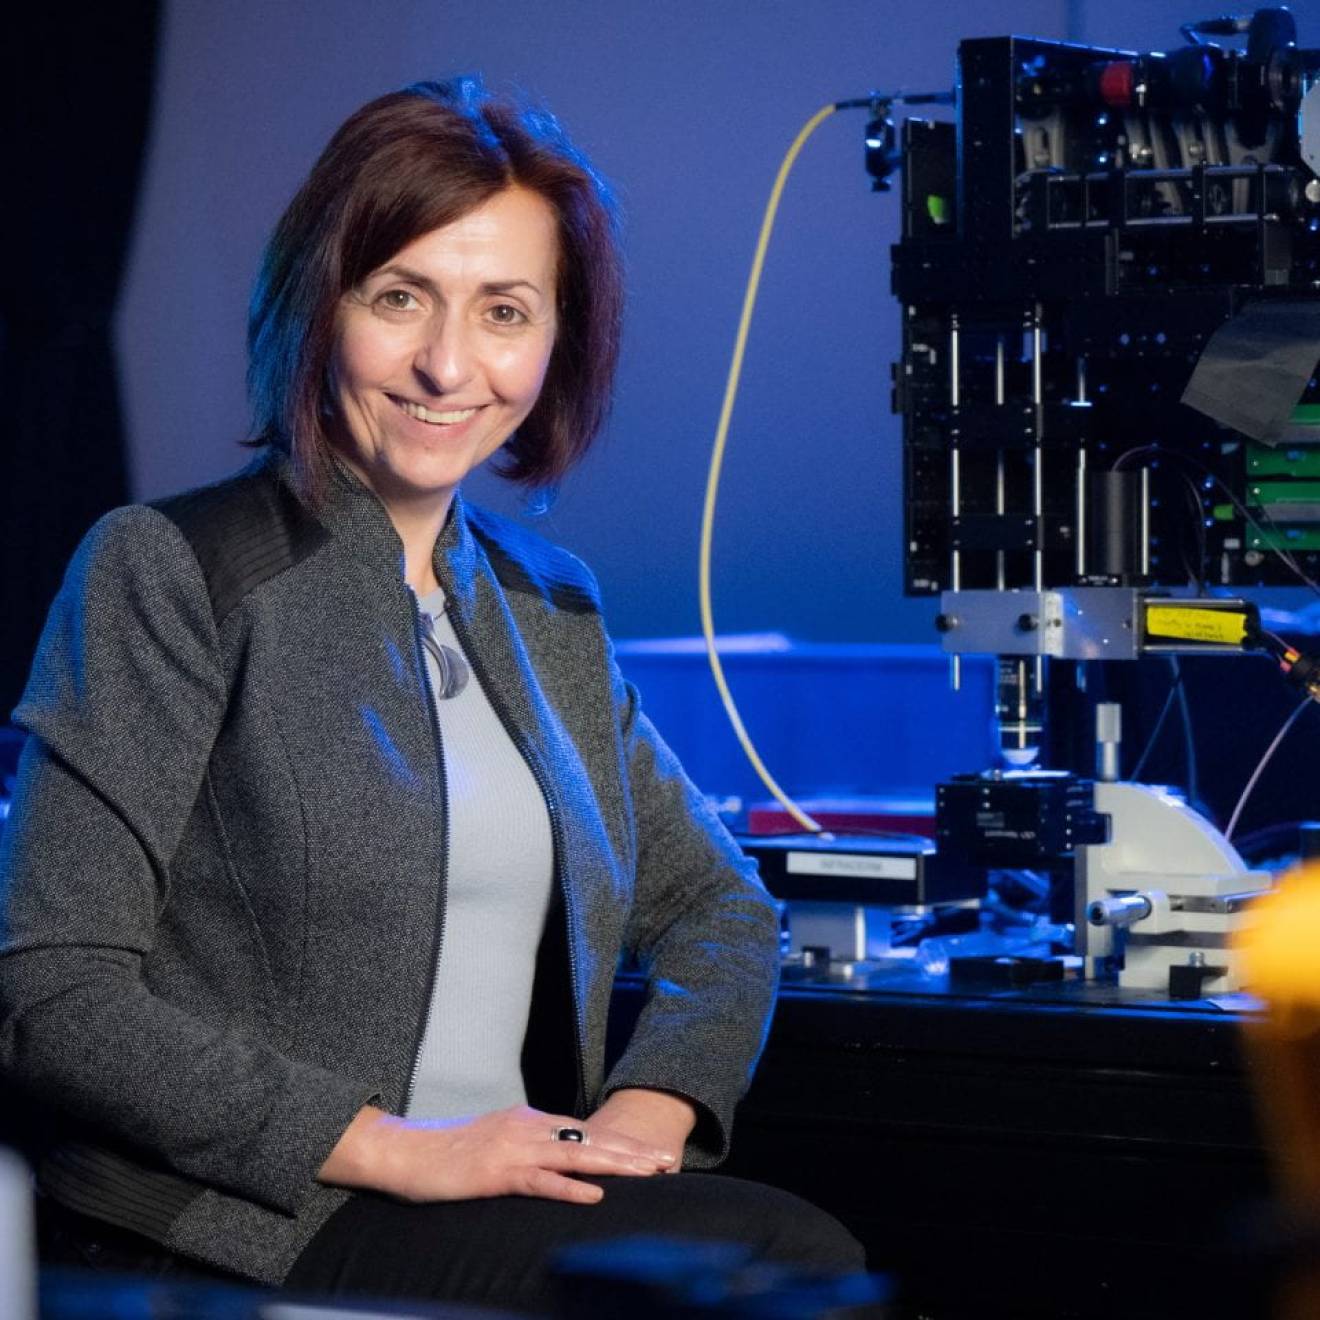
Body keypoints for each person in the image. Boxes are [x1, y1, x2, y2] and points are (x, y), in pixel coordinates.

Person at [0, 78, 863, 1311]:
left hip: (494, 1192)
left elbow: (719, 907)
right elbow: (52, 989)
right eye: (399, 296)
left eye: (504, 311)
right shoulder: (169, 567)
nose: (450, 363)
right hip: (239, 1219)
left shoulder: (544, 601)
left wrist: (647, 1108)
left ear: (558, 340)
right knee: (779, 1267)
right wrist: (399, 1151)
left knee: (777, 1256)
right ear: (321, 305)